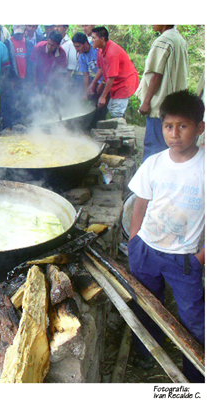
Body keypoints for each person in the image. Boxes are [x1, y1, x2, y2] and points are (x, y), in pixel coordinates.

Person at [127, 90, 205, 383]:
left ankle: (196, 373)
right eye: (168, 126)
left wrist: (201, 258)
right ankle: (146, 353)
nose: (174, 134)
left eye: (183, 126)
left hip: (184, 259)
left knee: (193, 318)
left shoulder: (208, 168)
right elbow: (140, 202)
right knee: (146, 305)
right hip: (146, 250)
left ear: (200, 127)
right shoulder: (155, 163)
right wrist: (135, 241)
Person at [136, 25, 189, 161]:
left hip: (159, 105)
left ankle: (150, 179)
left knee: (154, 147)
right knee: (168, 145)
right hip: (175, 103)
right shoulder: (178, 39)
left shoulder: (163, 40)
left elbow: (156, 75)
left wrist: (146, 102)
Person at [89, 26, 139, 118]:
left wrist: (103, 96)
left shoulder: (112, 53)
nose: (92, 40)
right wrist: (95, 83)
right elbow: (101, 69)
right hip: (115, 82)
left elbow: (111, 77)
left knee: (116, 111)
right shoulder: (100, 49)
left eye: (94, 38)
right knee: (112, 107)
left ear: (102, 39)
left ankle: (120, 130)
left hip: (125, 83)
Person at [1, 25, 35, 128]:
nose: (18, 35)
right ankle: (9, 127)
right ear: (12, 31)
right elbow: (5, 65)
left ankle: (25, 125)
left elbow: (32, 64)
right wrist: (9, 80)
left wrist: (30, 81)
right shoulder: (7, 44)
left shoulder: (29, 45)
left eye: (20, 33)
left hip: (25, 80)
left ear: (24, 31)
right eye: (17, 33)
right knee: (11, 104)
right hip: (12, 81)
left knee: (25, 104)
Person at [72, 32, 107, 124]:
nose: (77, 49)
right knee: (93, 102)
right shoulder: (81, 57)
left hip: (108, 79)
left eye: (78, 46)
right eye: (75, 47)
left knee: (102, 105)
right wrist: (86, 92)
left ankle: (102, 123)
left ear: (85, 43)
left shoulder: (96, 49)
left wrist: (99, 84)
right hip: (98, 79)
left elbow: (105, 68)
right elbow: (86, 75)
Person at [30, 31, 67, 95]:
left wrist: (48, 85)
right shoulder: (38, 47)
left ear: (58, 45)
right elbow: (33, 67)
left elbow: (57, 72)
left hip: (52, 83)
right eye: (49, 44)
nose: (49, 47)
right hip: (37, 79)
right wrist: (35, 84)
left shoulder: (62, 53)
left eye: (52, 45)